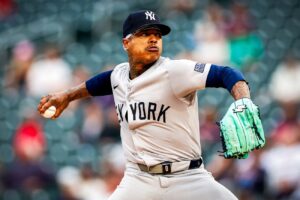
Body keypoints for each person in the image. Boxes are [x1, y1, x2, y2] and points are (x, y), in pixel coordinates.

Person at [37, 10, 254, 200]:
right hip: (138, 180)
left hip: (187, 177)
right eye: (144, 34)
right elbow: (101, 82)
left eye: (157, 35)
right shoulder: (119, 75)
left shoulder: (175, 71)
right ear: (126, 43)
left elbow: (226, 73)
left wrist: (243, 100)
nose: (153, 39)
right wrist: (68, 95)